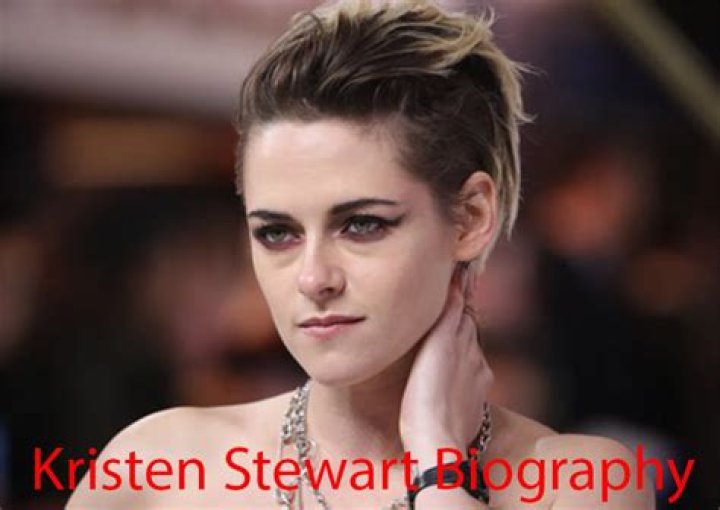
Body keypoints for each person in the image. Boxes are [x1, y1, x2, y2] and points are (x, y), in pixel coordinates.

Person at [68, 1, 655, 508]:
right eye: (277, 233)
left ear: (472, 217)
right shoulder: (158, 465)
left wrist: (438, 466)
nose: (313, 278)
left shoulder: (577, 481)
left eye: (362, 225)